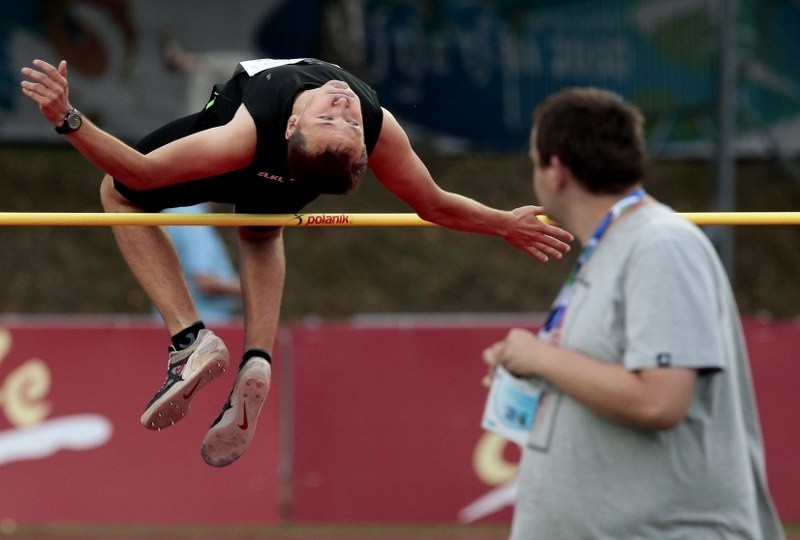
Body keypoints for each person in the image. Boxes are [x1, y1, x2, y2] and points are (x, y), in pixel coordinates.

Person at [20, 57, 574, 468]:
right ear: (295, 130)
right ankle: (256, 355)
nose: (346, 108)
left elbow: (139, 174)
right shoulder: (361, 128)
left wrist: (67, 117)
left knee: (119, 195)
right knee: (261, 230)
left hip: (253, 157)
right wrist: (501, 222)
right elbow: (432, 204)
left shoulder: (266, 125)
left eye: (347, 124)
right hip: (281, 172)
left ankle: (191, 338)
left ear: (294, 128)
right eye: (343, 120)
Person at [482, 87, 784, 538]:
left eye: (535, 160)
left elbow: (659, 399)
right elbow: (605, 372)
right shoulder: (616, 247)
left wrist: (542, 358)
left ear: (558, 171)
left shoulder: (660, 245)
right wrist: (531, 365)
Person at [157, 203, 242, 323]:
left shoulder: (175, 213)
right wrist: (252, 288)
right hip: (202, 324)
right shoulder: (192, 218)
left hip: (180, 324)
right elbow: (204, 281)